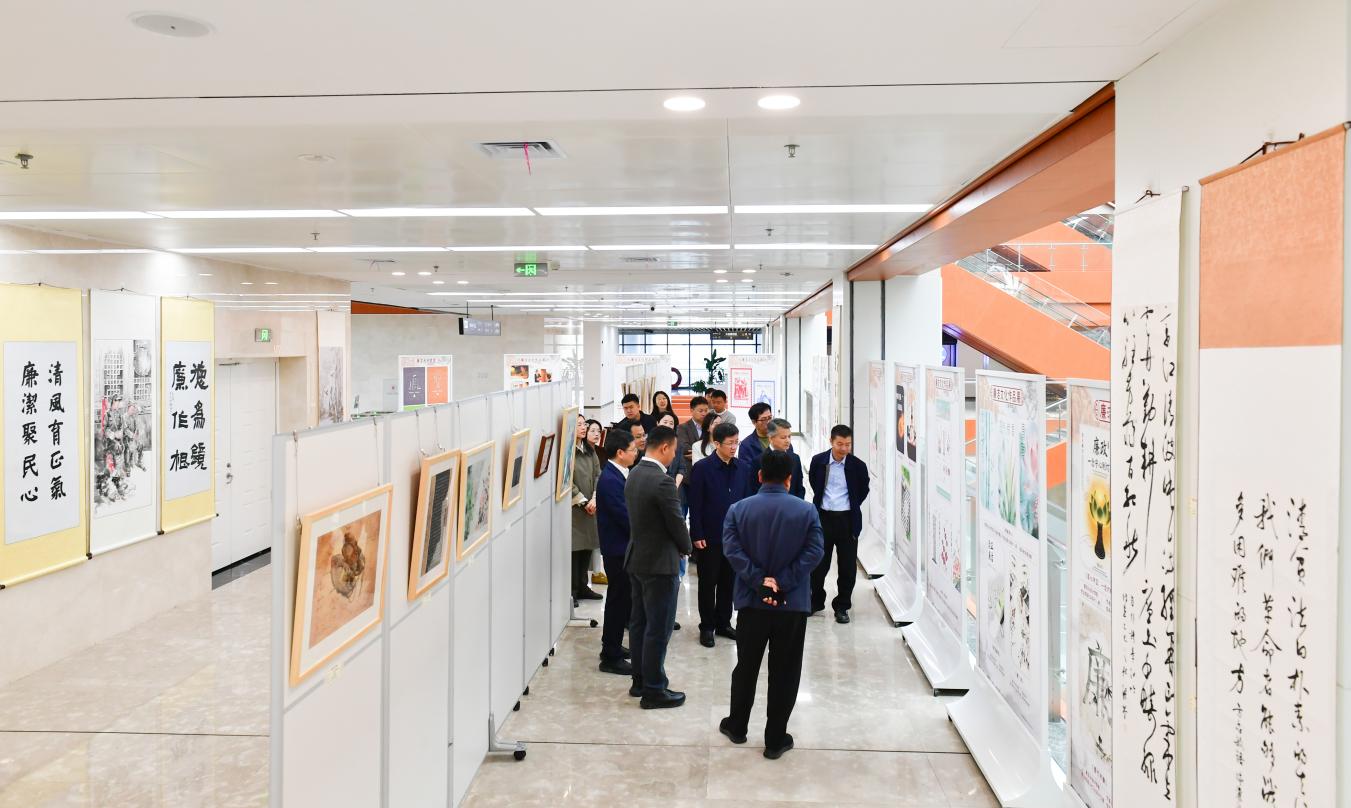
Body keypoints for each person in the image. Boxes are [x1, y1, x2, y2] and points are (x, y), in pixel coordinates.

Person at [720, 450, 824, 760]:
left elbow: (732, 550)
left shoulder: (738, 510)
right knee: (785, 671)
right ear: (790, 479)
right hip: (791, 605)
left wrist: (760, 582)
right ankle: (775, 739)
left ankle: (737, 726)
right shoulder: (806, 511)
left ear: (759, 476)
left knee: (746, 666)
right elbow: (815, 552)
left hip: (752, 603)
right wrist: (783, 582)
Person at [623, 425, 692, 708]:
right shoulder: (662, 481)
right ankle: (654, 690)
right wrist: (687, 547)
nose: (674, 456)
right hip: (660, 564)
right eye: (674, 450)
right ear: (664, 447)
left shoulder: (635, 473)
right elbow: (676, 522)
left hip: (637, 559)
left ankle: (639, 680)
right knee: (658, 628)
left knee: (639, 624)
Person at [686, 421, 754, 648]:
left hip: (734, 537)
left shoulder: (743, 468)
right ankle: (707, 626)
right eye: (730, 443)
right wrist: (697, 533)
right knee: (708, 583)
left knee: (729, 581)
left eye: (737, 442)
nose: (734, 447)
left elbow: (747, 502)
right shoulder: (702, 468)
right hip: (709, 536)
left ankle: (723, 622)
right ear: (716, 444)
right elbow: (695, 504)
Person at [808, 425, 870, 623]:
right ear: (831, 441)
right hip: (823, 518)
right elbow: (814, 483)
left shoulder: (858, 466)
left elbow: (863, 490)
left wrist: (851, 505)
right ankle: (816, 601)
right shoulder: (818, 461)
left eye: (848, 444)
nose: (844, 448)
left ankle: (842, 606)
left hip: (847, 520)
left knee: (847, 568)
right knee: (818, 565)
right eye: (840, 444)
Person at [596, 429, 639, 675]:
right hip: (617, 550)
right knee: (617, 601)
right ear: (620, 453)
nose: (636, 453)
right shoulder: (610, 479)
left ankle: (612, 646)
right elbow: (625, 517)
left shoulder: (619, 474)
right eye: (633, 450)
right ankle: (610, 655)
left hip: (622, 548)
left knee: (621, 600)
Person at [570, 414, 603, 603]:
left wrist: (595, 499)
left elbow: (598, 474)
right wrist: (584, 501)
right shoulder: (567, 451)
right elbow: (567, 480)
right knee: (575, 550)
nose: (583, 427)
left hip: (591, 506)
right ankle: (573, 591)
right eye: (579, 424)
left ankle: (583, 586)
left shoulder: (589, 450)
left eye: (584, 424)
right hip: (576, 508)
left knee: (588, 547)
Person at [748, 418, 805, 499]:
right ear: (770, 438)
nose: (788, 441)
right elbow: (753, 490)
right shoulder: (758, 461)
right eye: (783, 437)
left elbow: (799, 488)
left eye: (789, 436)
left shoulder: (795, 458)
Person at [677, 396, 710, 467]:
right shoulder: (682, 427)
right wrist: (706, 455)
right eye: (700, 411)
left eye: (706, 410)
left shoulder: (711, 427)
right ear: (692, 410)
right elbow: (685, 448)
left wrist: (696, 455)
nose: (704, 414)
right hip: (689, 467)